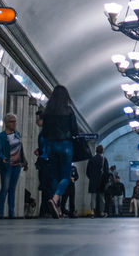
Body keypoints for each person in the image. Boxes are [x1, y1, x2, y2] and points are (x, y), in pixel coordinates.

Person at [40, 85, 80, 219]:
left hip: (52, 145)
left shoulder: (47, 112)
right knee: (65, 176)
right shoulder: (68, 111)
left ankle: (55, 206)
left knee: (55, 176)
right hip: (65, 145)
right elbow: (74, 130)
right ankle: (56, 199)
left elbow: (44, 132)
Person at [0, 113, 26, 219]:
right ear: (6, 123)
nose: (14, 124)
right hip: (7, 165)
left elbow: (20, 149)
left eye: (15, 121)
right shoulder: (2, 136)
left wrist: (24, 161)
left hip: (17, 165)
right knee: (5, 188)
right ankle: (0, 212)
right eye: (12, 121)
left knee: (12, 189)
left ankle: (11, 212)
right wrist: (2, 157)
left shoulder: (17, 134)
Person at [33, 108, 53, 217]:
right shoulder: (45, 131)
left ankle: (46, 210)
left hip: (46, 162)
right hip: (44, 160)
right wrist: (39, 150)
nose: (36, 122)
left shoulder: (46, 132)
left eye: (37, 120)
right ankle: (44, 210)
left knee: (46, 187)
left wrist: (42, 153)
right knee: (45, 187)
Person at [86, 143, 109, 217]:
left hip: (93, 181)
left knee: (93, 197)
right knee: (102, 197)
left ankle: (92, 211)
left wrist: (92, 178)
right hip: (101, 182)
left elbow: (87, 172)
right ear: (102, 151)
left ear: (96, 151)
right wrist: (105, 181)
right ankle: (102, 212)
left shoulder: (91, 159)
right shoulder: (104, 159)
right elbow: (106, 172)